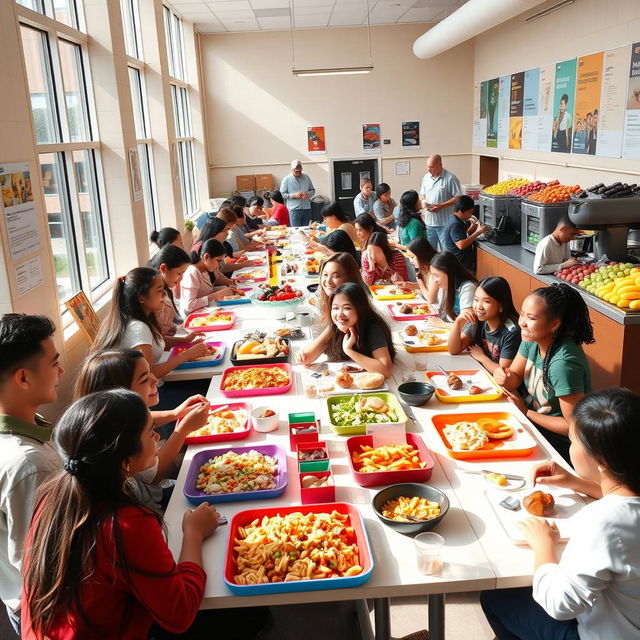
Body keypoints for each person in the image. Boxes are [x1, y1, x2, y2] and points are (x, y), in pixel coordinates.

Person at [20, 389, 221, 639]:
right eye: (150, 432)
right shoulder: (125, 523)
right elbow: (179, 613)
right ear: (125, 460)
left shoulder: (53, 494)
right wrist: (193, 533)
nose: (157, 436)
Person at [481, 388, 640, 640]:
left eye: (574, 440)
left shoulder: (604, 521)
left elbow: (559, 604)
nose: (572, 446)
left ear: (600, 461)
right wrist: (576, 482)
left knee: (496, 596)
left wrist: (543, 545)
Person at [75, 349, 208, 510]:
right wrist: (183, 429)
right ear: (120, 394)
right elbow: (156, 474)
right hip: (152, 508)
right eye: (145, 379)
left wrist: (174, 414)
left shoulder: (111, 418)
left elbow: (146, 417)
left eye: (151, 372)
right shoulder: (120, 441)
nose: (155, 378)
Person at [0, 314, 62, 635]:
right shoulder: (30, 464)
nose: (61, 372)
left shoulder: (29, 436)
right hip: (49, 608)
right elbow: (39, 564)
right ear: (23, 378)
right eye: (54, 363)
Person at [493, 283, 594, 463]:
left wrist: (526, 413)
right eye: (522, 313)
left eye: (531, 318)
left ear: (555, 324)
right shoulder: (532, 338)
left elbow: (574, 427)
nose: (521, 322)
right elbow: (514, 378)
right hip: (533, 429)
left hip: (560, 448)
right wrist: (503, 376)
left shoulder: (563, 364)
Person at [92, 268, 208, 379]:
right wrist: (185, 356)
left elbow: (156, 342)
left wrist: (185, 341)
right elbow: (149, 373)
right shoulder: (138, 328)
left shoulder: (138, 319)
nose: (164, 294)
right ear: (141, 298)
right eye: (159, 290)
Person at [296, 283, 395, 378]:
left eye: (347, 308)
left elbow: (386, 371)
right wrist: (301, 356)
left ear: (360, 309)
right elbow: (307, 358)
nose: (339, 314)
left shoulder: (373, 328)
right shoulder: (335, 327)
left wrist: (349, 351)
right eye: (335, 308)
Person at [448, 276, 521, 373]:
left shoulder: (511, 332)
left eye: (486, 301)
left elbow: (503, 374)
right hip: (482, 374)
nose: (479, 306)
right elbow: (453, 349)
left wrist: (482, 357)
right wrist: (457, 323)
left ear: (501, 305)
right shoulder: (478, 320)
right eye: (476, 300)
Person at [147, 244, 203, 343]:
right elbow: (157, 339)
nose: (181, 278)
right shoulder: (151, 297)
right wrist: (184, 341)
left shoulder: (166, 289)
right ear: (163, 269)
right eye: (179, 273)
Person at [419, 154, 463, 250]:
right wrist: (423, 201)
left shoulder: (450, 178)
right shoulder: (426, 177)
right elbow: (422, 194)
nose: (428, 169)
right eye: (427, 166)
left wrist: (441, 205)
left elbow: (458, 197)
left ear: (440, 165)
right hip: (429, 223)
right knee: (429, 252)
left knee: (446, 252)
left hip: (445, 224)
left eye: (431, 167)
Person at [181, 239, 237, 314]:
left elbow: (208, 291)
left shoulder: (205, 270)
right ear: (206, 257)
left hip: (207, 310)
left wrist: (226, 289)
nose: (219, 265)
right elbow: (189, 306)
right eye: (218, 261)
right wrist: (217, 294)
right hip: (195, 317)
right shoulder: (192, 273)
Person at [429, 251, 478, 324]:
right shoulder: (447, 285)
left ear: (449, 273)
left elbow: (465, 326)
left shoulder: (468, 288)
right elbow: (432, 301)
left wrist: (442, 324)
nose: (434, 281)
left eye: (436, 275)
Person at [314, 252, 366, 317]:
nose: (328, 281)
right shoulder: (322, 298)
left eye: (335, 276)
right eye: (325, 275)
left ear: (350, 278)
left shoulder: (355, 311)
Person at [443, 194, 488, 270]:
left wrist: (471, 230)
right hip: (459, 264)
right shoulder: (455, 224)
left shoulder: (456, 220)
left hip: (460, 263)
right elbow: (461, 245)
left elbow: (460, 236)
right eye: (469, 212)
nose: (471, 215)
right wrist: (478, 232)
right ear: (460, 211)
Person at [280, 159, 315, 226]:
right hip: (294, 209)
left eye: (299, 171)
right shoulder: (286, 179)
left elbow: (313, 190)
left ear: (302, 169)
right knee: (295, 231)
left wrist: (308, 194)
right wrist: (293, 195)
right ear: (292, 170)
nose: (298, 173)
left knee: (307, 229)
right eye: (296, 171)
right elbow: (282, 194)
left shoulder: (306, 177)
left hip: (306, 208)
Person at [403, 237, 438, 303]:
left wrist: (420, 282)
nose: (411, 261)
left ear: (421, 255)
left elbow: (431, 299)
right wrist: (407, 285)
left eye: (412, 257)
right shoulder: (421, 268)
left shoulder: (434, 269)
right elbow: (425, 288)